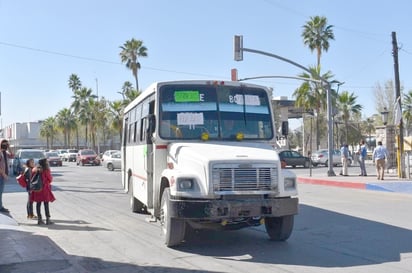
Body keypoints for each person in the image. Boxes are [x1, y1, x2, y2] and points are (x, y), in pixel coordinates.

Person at [31, 158, 56, 225]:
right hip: (44, 189)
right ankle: (48, 219)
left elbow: (32, 179)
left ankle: (39, 219)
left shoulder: (34, 169)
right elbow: (50, 179)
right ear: (45, 163)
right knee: (46, 204)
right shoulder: (46, 170)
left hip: (37, 189)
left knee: (38, 204)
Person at [0, 139, 12, 213]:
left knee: (1, 192)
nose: (4, 146)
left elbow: (12, 155)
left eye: (6, 144)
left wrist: (9, 146)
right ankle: (0, 207)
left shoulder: (4, 153)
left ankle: (0, 206)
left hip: (2, 176)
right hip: (1, 175)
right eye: (3, 144)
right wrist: (4, 175)